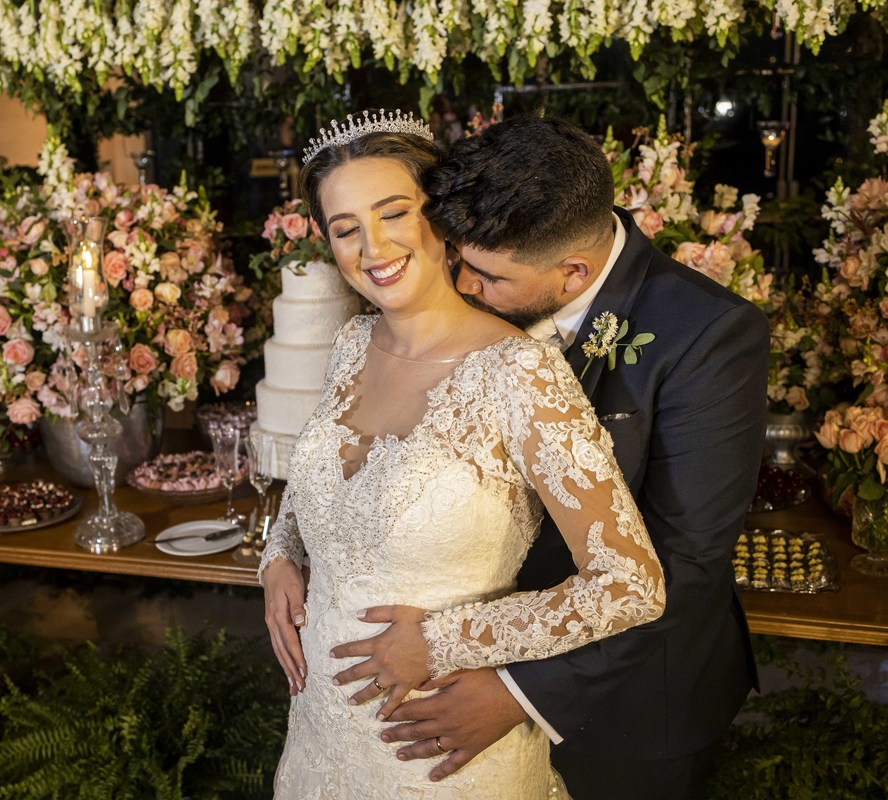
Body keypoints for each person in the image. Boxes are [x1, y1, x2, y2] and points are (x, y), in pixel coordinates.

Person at [356, 115, 769, 800]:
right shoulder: (460, 306)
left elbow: (686, 563)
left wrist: (519, 691)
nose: (460, 286)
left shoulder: (711, 336)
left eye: (486, 274)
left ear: (573, 270)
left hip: (624, 708)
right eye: (455, 257)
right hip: (456, 674)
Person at [259, 109, 666, 799]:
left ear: (440, 217)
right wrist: (279, 557)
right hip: (321, 740)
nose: (373, 246)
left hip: (443, 751)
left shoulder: (519, 374)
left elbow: (630, 585)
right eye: (345, 228)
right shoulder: (352, 347)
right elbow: (318, 488)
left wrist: (443, 642)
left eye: (394, 213)